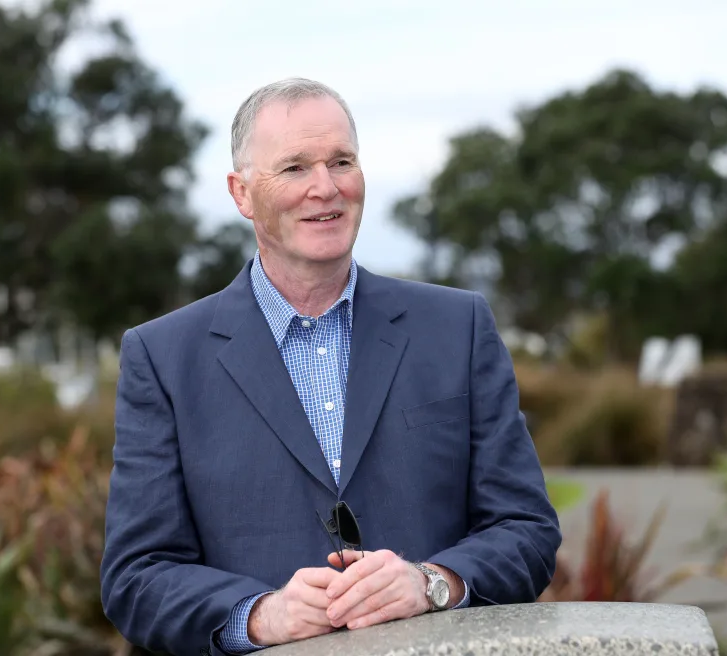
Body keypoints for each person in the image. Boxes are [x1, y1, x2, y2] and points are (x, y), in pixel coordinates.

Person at [99, 77, 562, 656]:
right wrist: (261, 616)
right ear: (241, 194)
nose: (326, 187)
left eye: (341, 161)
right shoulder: (162, 357)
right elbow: (136, 576)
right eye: (294, 167)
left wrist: (433, 583)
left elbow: (527, 529)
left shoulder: (458, 327)